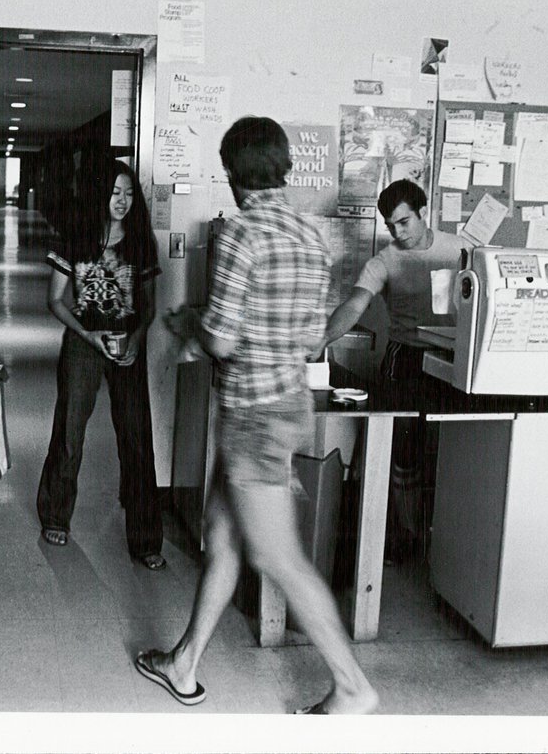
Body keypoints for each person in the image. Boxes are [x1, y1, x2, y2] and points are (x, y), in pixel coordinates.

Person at [138, 116, 377, 714]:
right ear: (284, 167)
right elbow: (311, 337)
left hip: (254, 417)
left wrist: (187, 321)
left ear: (230, 175)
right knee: (222, 538)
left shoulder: (241, 234)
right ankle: (183, 663)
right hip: (288, 401)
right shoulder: (309, 235)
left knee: (277, 557)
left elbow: (220, 340)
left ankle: (353, 686)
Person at [314, 178, 470, 558]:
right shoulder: (384, 261)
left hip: (454, 363)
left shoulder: (463, 251)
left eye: (405, 222)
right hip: (405, 360)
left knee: (452, 452)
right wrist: (320, 339)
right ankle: (408, 536)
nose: (399, 233)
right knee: (403, 453)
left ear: (422, 213)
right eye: (391, 226)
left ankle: (443, 540)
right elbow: (353, 306)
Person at [36, 155, 166, 570]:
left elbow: (150, 307)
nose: (122, 200)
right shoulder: (74, 237)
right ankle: (56, 516)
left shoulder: (141, 242)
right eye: (114, 192)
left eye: (128, 193)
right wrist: (87, 334)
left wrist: (135, 340)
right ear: (98, 193)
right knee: (70, 430)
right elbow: (56, 300)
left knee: (136, 437)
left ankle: (145, 539)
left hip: (128, 341)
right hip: (83, 341)